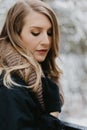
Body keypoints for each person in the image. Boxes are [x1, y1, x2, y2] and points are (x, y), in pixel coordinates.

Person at [0, 0, 64, 129]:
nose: (46, 41)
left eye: (50, 33)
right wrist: (52, 115)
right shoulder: (10, 85)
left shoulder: (39, 77)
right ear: (15, 35)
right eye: (35, 33)